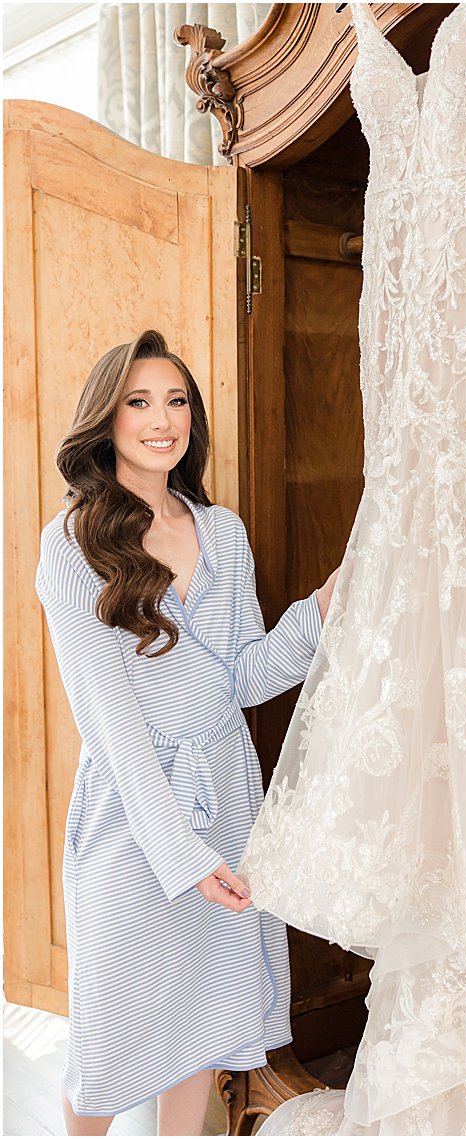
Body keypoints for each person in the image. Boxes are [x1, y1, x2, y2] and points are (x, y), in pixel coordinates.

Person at [35, 329, 339, 1135]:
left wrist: (321, 609)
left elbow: (241, 675)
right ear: (107, 419)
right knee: (111, 1030)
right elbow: (110, 724)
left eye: (176, 401)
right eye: (139, 401)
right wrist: (180, 853)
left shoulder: (224, 532)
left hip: (226, 787)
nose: (160, 419)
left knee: (205, 1012)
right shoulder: (70, 545)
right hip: (133, 808)